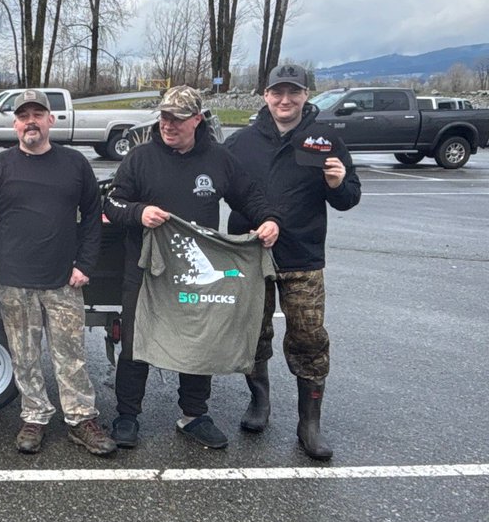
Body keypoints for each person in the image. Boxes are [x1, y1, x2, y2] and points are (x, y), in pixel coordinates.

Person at [104, 85, 280, 451]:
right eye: (164, 117)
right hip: (146, 268)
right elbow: (113, 204)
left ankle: (194, 414)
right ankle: (127, 415)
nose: (168, 124)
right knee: (137, 341)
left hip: (197, 271)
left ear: (197, 120)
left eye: (178, 119)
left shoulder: (218, 159)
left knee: (200, 337)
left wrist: (268, 219)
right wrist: (139, 212)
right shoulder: (140, 158)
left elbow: (249, 195)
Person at [223, 63, 361, 460]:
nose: (285, 100)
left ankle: (309, 424)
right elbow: (211, 185)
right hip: (251, 256)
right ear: (265, 95)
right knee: (253, 334)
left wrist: (337, 184)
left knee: (308, 340)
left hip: (303, 257)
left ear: (306, 96)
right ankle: (259, 402)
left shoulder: (325, 140)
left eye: (294, 93)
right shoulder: (242, 142)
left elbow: (349, 197)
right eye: (277, 92)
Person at [0, 89, 117, 457]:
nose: (30, 121)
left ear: (52, 120)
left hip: (63, 281)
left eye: (38, 114)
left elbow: (92, 220)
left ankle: (81, 419)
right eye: (23, 116)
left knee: (72, 356)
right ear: (15, 123)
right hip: (14, 281)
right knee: (24, 356)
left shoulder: (75, 165)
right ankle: (34, 415)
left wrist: (85, 264)